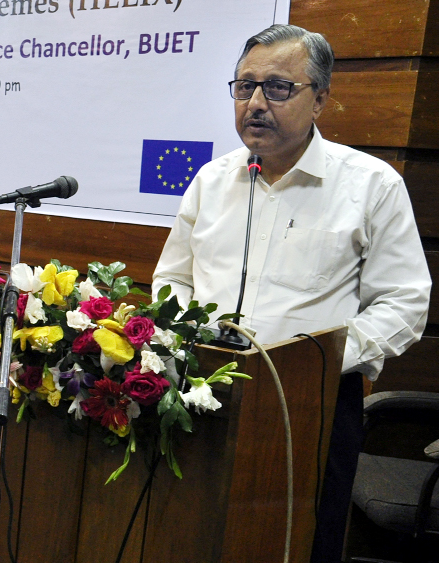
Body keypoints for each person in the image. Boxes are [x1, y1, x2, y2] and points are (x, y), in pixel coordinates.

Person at [151, 24, 431, 562]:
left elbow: (404, 303)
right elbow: (173, 279)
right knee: (196, 537)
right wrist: (189, 335)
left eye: (277, 88)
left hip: (311, 403)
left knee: (297, 545)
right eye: (244, 87)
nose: (255, 103)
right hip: (204, 393)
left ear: (320, 100)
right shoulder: (212, 180)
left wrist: (315, 361)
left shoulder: (371, 184)